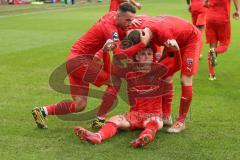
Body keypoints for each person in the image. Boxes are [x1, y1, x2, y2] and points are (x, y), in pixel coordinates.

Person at [31, 3, 149, 129]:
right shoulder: (110, 28)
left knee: (79, 105)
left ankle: (42, 111)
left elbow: (120, 28)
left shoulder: (112, 15)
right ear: (118, 15)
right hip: (80, 62)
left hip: (74, 61)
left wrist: (132, 22)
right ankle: (100, 119)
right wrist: (142, 44)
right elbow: (119, 54)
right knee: (114, 81)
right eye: (128, 20)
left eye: (131, 20)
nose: (130, 23)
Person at [74, 36, 181, 147]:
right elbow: (109, 71)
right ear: (136, 57)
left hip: (153, 115)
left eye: (149, 54)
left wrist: (176, 50)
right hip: (134, 115)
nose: (147, 57)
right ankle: (98, 136)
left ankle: (145, 137)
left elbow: (177, 66)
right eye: (143, 54)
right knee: (115, 119)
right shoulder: (129, 72)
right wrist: (106, 52)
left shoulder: (159, 72)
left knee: (155, 122)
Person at [124, 15, 201, 133]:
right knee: (165, 76)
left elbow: (176, 65)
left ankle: (181, 121)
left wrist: (158, 61)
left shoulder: (164, 34)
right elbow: (123, 15)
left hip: (190, 39)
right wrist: (132, 19)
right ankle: (166, 116)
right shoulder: (138, 24)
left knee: (185, 79)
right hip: (172, 40)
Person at [204, 0, 240, 80]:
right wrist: (238, 10)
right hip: (223, 20)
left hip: (210, 19)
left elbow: (204, 4)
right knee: (224, 45)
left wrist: (213, 6)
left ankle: (211, 75)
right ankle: (215, 51)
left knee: (212, 45)